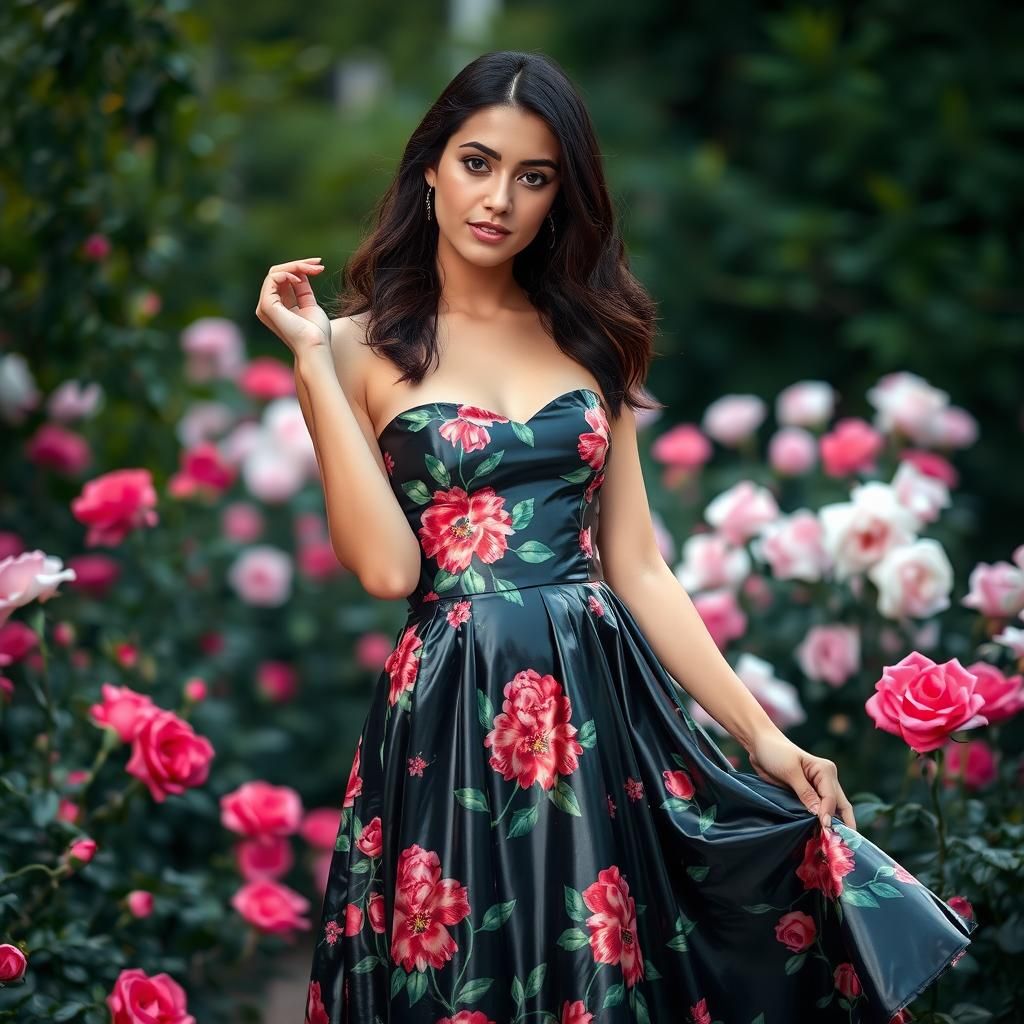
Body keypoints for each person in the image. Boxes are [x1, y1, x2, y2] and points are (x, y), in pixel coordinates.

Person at [255, 50, 974, 1024]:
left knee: (613, 971)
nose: (499, 199)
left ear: (561, 196)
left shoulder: (594, 336)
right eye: (477, 163)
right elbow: (387, 570)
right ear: (429, 166)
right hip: (454, 712)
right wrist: (310, 364)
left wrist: (763, 737)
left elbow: (636, 564)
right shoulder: (349, 346)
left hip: (603, 705)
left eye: (534, 176)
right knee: (464, 972)